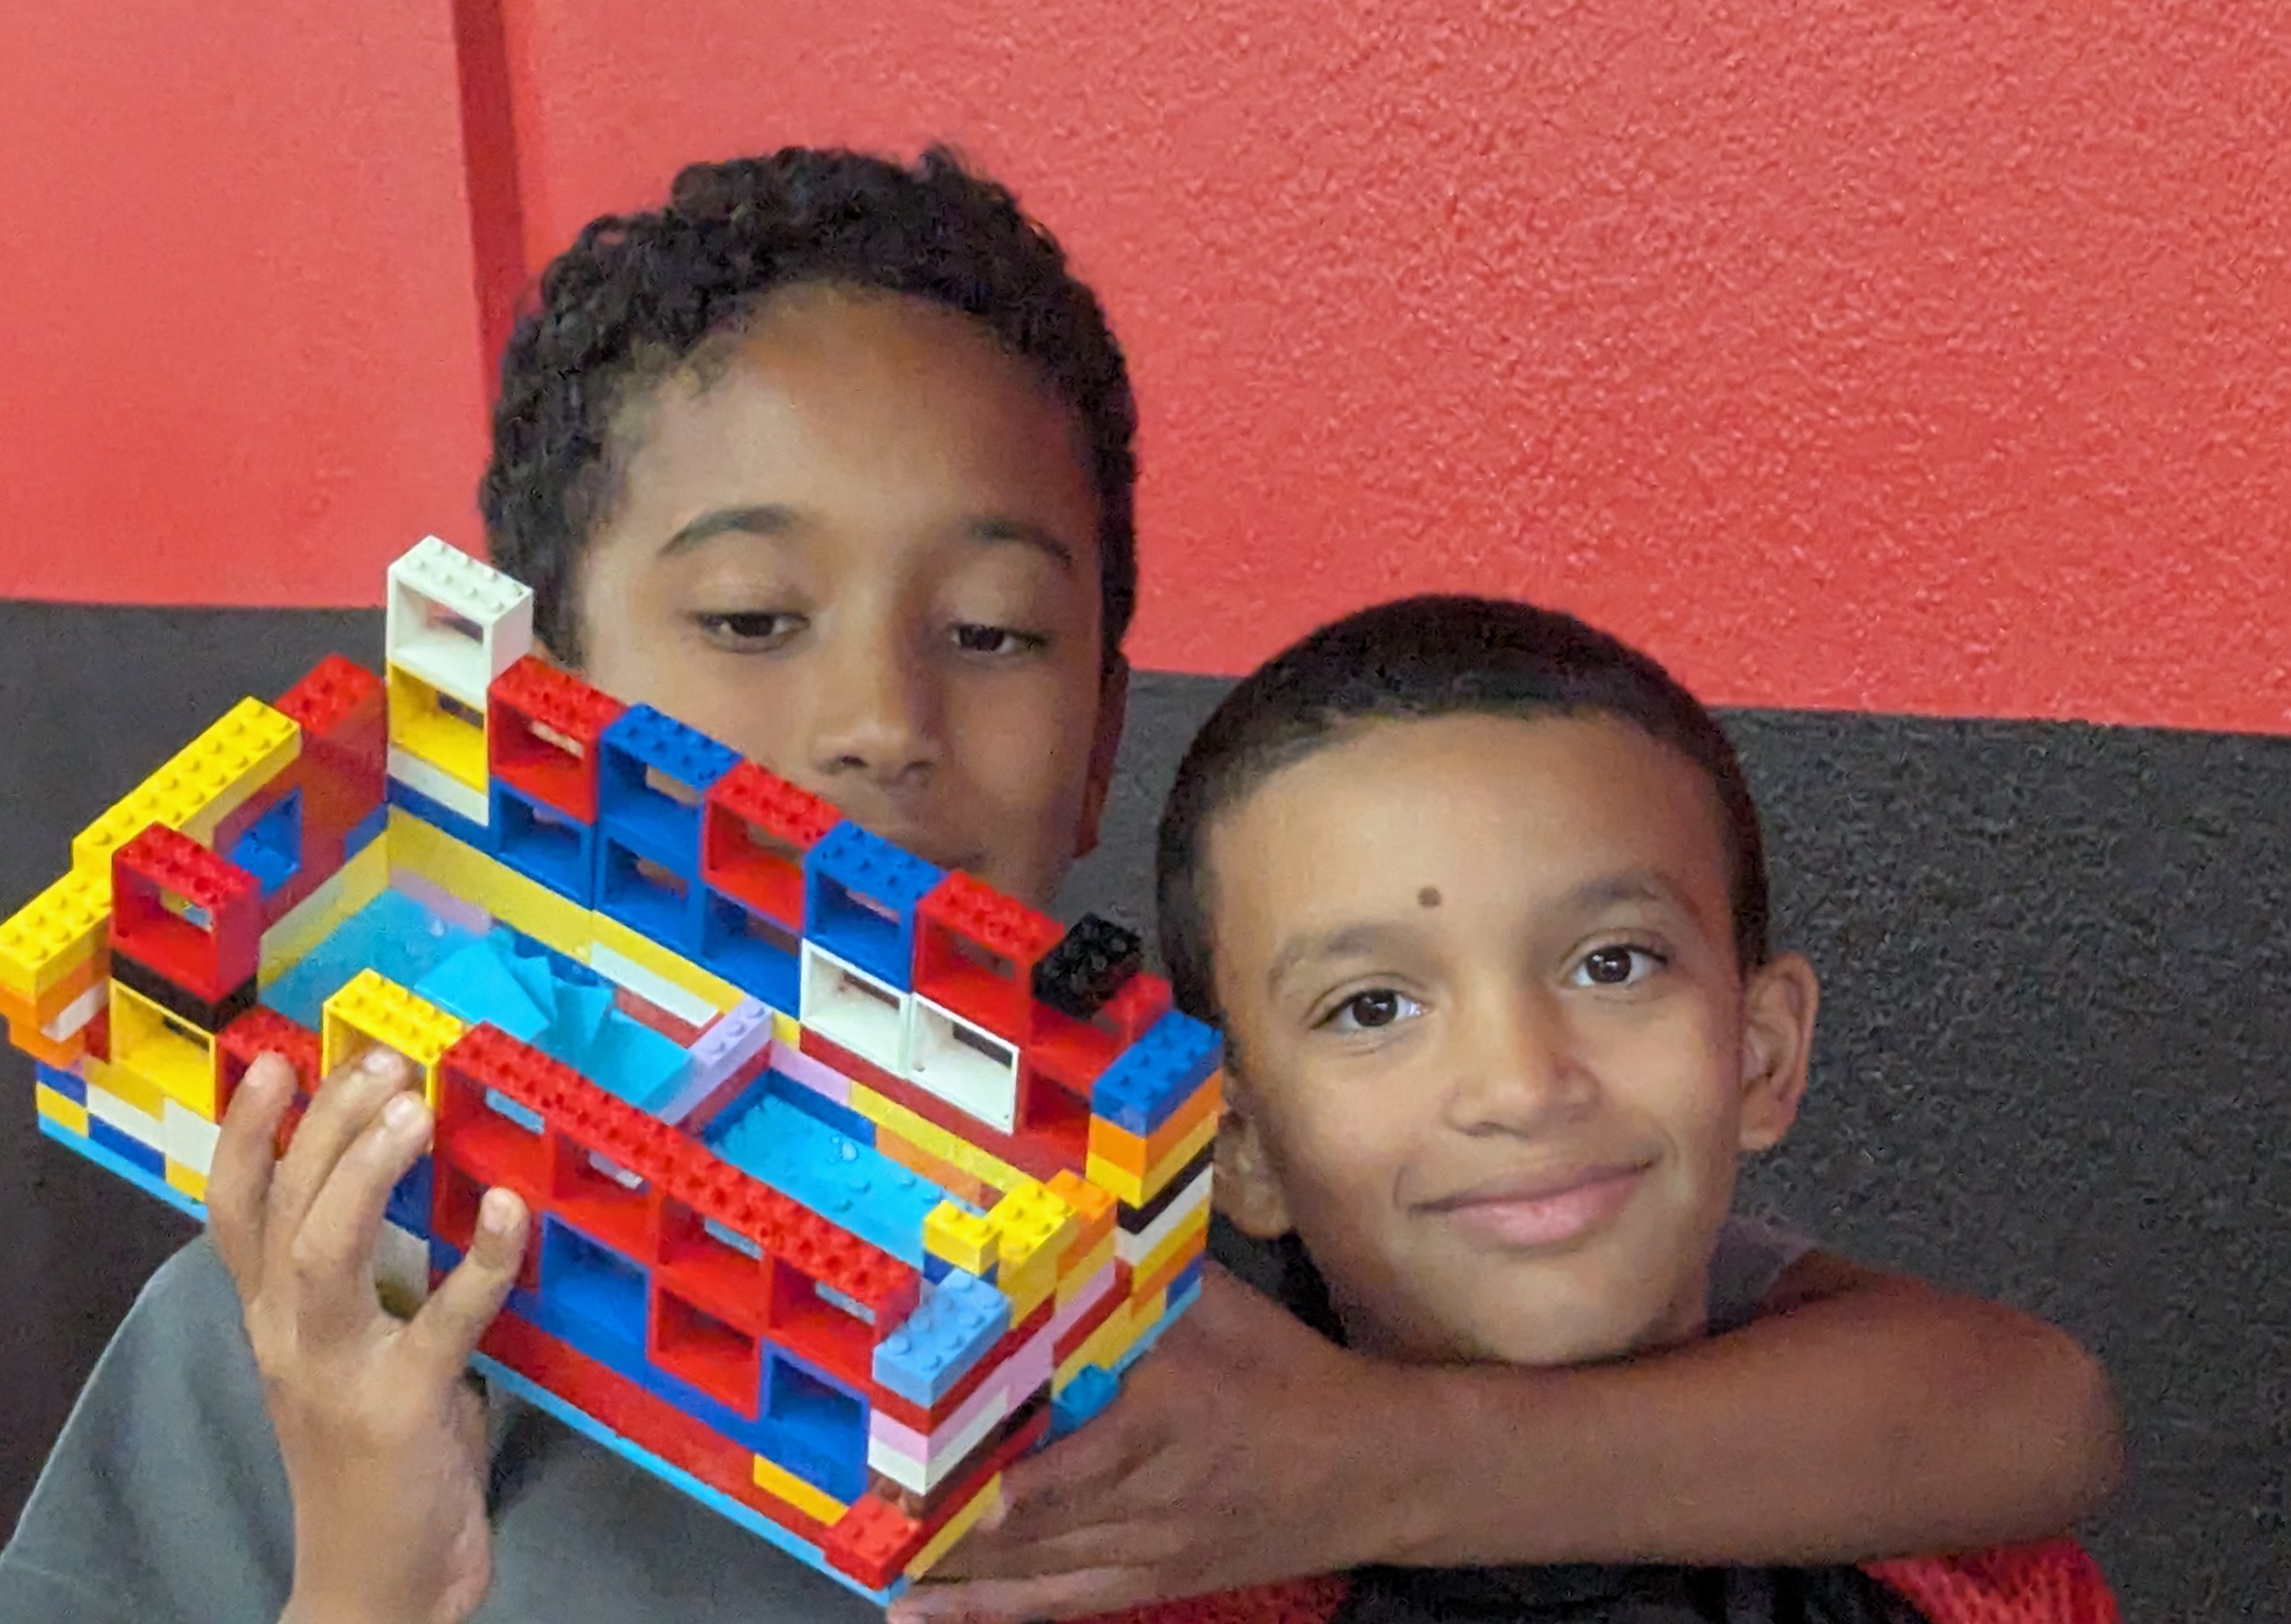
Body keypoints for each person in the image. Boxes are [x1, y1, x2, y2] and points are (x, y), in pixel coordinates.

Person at [0, 146, 2120, 1624]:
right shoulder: (302, 1295)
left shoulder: (1259, 1212)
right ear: (538, 693)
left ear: (1104, 722)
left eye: (997, 632)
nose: (879, 720)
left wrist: (1377, 1456)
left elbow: (2024, 1413)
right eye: (749, 618)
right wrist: (372, 1570)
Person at [906, 594, 2116, 1624]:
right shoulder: (1127, 1566)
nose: (1523, 1087)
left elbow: (2047, 1408)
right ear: (1237, 1142)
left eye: (1613, 965)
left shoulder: (1973, 1578)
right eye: (1373, 1007)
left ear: (1760, 1055)